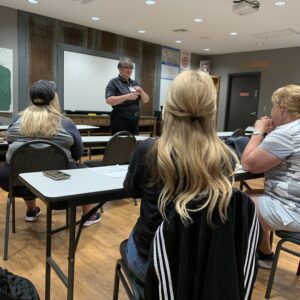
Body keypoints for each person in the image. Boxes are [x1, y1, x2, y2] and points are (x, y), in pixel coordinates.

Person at [124, 70, 260, 299]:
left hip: (153, 262)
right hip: (205, 262)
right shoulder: (226, 157)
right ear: (211, 108)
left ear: (170, 106)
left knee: (135, 238)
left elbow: (132, 190)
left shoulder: (147, 152)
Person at [0, 80, 101, 227]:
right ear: (54, 98)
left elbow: (12, 146)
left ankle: (32, 211)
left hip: (16, 182)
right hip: (58, 182)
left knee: (26, 165)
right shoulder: (66, 123)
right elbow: (78, 153)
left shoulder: (16, 119)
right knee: (84, 172)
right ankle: (89, 215)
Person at [242, 84, 300, 269]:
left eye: (273, 106)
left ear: (282, 108)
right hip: (294, 202)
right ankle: (264, 253)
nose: (271, 111)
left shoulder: (287, 133)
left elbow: (248, 164)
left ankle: (240, 260)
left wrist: (258, 131)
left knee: (233, 202)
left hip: (292, 210)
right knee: (254, 197)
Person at [105, 57, 149, 134]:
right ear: (120, 69)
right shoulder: (114, 82)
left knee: (134, 144)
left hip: (134, 121)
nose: (129, 70)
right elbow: (109, 100)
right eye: (126, 68)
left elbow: (146, 100)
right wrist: (127, 96)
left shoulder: (134, 83)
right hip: (119, 121)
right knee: (121, 144)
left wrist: (141, 91)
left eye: (131, 68)